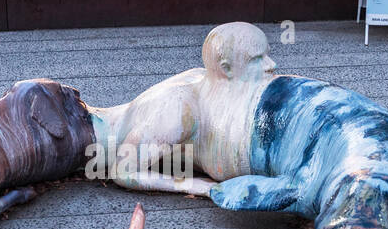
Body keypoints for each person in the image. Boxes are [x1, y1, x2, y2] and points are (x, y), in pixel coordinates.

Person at [87, 22, 278, 195]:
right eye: (257, 59)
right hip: (83, 134)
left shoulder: (205, 82)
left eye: (268, 54)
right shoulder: (179, 107)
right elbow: (123, 171)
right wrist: (197, 186)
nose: (272, 65)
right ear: (226, 69)